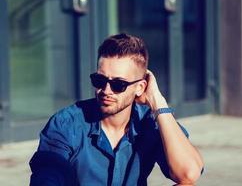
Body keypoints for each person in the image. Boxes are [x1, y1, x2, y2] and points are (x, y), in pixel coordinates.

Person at [29, 33, 204, 186]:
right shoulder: (66, 124)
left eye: (118, 84)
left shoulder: (149, 122)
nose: (106, 90)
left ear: (140, 87)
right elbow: (46, 176)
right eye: (99, 80)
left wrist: (158, 103)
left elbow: (188, 173)